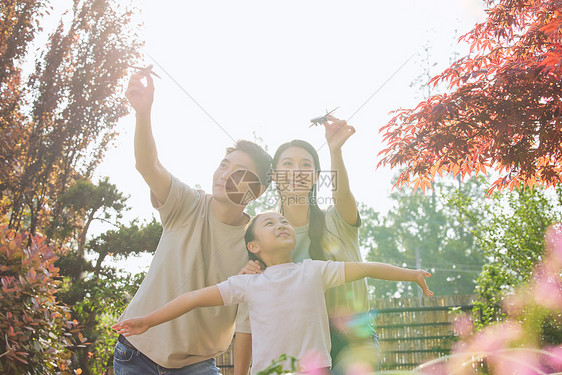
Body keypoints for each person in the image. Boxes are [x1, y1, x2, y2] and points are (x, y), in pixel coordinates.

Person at [112, 212, 433, 375]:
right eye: (270, 223)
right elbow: (193, 298)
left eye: (283, 221)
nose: (281, 224)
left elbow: (365, 267)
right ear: (254, 246)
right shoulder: (248, 284)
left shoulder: (314, 270)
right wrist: (149, 320)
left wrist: (411, 274)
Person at [112, 70, 272, 374]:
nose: (225, 175)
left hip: (197, 366)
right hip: (136, 354)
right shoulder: (187, 203)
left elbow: (248, 324)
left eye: (240, 172)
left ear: (257, 191)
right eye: (224, 165)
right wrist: (143, 112)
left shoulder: (257, 244)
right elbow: (148, 165)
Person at [241, 116, 380, 372]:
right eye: (288, 164)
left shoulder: (337, 221)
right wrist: (251, 273)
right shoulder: (265, 236)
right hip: (301, 347)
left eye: (306, 165)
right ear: (274, 175)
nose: (297, 171)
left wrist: (334, 150)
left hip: (353, 341)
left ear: (316, 177)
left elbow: (343, 195)